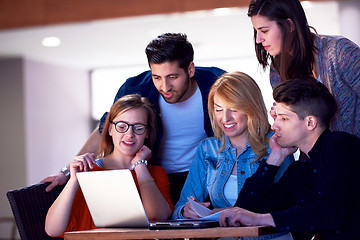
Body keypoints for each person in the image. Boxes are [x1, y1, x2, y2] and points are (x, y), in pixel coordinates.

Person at [42, 33, 226, 204]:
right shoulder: (135, 87)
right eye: (157, 77)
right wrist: (65, 172)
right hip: (153, 176)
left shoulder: (217, 83)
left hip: (203, 178)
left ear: (190, 69)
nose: (165, 87)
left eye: (172, 77)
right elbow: (106, 129)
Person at [218, 78, 360, 240]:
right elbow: (247, 208)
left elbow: (331, 212)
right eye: (275, 117)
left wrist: (260, 219)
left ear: (310, 122)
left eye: (283, 118)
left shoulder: (342, 146)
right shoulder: (300, 171)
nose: (274, 126)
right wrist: (274, 158)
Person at [173, 72, 294, 240]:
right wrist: (186, 211)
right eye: (218, 109)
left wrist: (233, 212)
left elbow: (287, 207)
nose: (225, 117)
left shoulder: (276, 145)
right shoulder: (207, 150)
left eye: (234, 109)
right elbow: (178, 209)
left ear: (250, 107)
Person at [45, 94, 174, 238]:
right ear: (110, 129)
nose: (129, 134)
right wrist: (74, 180)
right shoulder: (87, 171)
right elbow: (52, 230)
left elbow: (158, 217)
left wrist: (140, 165)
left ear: (147, 133)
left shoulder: (156, 173)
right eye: (122, 126)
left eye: (138, 128)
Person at [247, 0, 360, 138]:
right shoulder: (276, 71)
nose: (258, 39)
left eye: (264, 31)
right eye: (256, 31)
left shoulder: (339, 52)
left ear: (289, 25)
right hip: (316, 158)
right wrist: (284, 118)